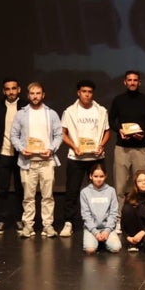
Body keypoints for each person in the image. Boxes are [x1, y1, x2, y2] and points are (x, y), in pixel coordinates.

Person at [10, 81, 64, 238]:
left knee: (48, 196)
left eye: (38, 93)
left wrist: (51, 149)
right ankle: (28, 225)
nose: (35, 96)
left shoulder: (51, 113)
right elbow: (14, 135)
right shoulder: (21, 114)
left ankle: (48, 225)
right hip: (28, 162)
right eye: (32, 93)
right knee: (28, 196)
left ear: (43, 95)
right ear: (28, 95)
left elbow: (59, 135)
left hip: (46, 161)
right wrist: (21, 149)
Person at [59, 79, 110, 238]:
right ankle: (69, 222)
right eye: (84, 91)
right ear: (78, 93)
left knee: (99, 191)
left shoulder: (101, 110)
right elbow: (63, 133)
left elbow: (107, 131)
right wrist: (74, 146)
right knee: (72, 191)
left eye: (89, 92)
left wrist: (101, 145)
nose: (87, 94)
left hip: (96, 157)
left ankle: (99, 222)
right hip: (77, 157)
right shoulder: (69, 111)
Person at [0, 77, 25, 235]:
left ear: (19, 90)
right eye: (7, 89)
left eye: (13, 88)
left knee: (20, 188)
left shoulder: (25, 107)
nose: (11, 92)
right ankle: (1, 219)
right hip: (2, 154)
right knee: (2, 189)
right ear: (4, 91)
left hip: (21, 154)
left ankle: (19, 219)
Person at [108, 70, 145, 194]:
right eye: (129, 80)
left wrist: (144, 134)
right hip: (122, 148)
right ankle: (119, 212)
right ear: (125, 82)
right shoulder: (118, 100)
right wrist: (119, 130)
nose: (132, 83)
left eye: (135, 80)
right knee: (120, 185)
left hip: (141, 148)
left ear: (139, 82)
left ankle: (141, 212)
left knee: (142, 184)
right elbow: (111, 120)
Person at [80, 163, 121, 254]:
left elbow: (113, 213)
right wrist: (95, 232)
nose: (98, 179)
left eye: (101, 176)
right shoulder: (85, 192)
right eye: (96, 176)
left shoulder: (111, 191)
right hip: (91, 228)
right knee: (90, 250)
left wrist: (107, 231)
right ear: (91, 176)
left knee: (116, 248)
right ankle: (97, 240)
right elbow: (86, 215)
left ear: (105, 176)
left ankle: (103, 240)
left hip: (107, 228)